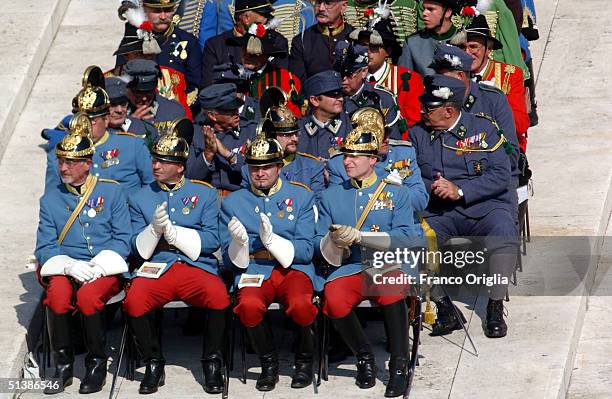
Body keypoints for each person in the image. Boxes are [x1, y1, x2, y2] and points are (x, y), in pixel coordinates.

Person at [123, 118, 230, 394]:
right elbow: (135, 246)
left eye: (164, 162)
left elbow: (211, 239)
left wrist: (176, 235)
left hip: (195, 264)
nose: (156, 166)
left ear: (180, 167)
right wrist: (153, 231)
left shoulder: (203, 194)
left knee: (218, 296)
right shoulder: (140, 197)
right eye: (155, 160)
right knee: (134, 301)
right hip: (157, 264)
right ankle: (153, 362)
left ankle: (212, 362)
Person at [315, 120, 419, 397]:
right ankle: (364, 357)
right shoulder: (332, 195)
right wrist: (332, 241)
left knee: (392, 288)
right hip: (350, 266)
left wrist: (362, 237)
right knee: (334, 299)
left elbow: (406, 238)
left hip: (387, 264)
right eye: (345, 155)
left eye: (354, 156)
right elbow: (317, 240)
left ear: (373, 159)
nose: (347, 161)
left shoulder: (396, 192)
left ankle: (399, 365)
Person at [410, 74, 518, 338]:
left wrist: (460, 190)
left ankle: (495, 302)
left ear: (449, 110)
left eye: (430, 108)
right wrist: (434, 188)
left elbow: (501, 175)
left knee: (503, 231)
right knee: (416, 239)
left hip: (484, 206)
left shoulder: (484, 129)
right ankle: (443, 306)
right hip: (439, 210)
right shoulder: (416, 135)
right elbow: (408, 176)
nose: (423, 111)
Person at [35, 114, 131, 394]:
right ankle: (62, 366)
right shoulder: (50, 200)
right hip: (67, 266)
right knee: (57, 297)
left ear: (87, 164)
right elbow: (45, 246)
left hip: (103, 267)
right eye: (60, 161)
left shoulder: (111, 193)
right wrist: (68, 267)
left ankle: (96, 363)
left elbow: (122, 239)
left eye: (70, 162)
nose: (63, 167)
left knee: (89, 298)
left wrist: (99, 266)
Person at [219, 134, 319, 391]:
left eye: (266, 167)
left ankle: (304, 361)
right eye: (254, 167)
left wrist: (274, 242)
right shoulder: (233, 203)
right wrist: (237, 244)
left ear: (279, 167)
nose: (260, 173)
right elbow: (229, 260)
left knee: (301, 305)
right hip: (253, 268)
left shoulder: (301, 197)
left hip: (292, 267)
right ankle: (268, 363)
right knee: (248, 306)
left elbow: (307, 249)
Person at [45, 67, 154, 197]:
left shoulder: (132, 146)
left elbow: (152, 188)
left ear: (106, 119)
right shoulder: (57, 156)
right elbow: (52, 200)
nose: (85, 124)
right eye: (81, 119)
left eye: (92, 120)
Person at [429, 43, 520, 178]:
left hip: (490, 183)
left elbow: (510, 155)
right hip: (444, 182)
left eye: (441, 75)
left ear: (460, 75)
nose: (436, 81)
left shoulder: (493, 100)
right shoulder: (432, 101)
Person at [327, 107, 428, 215]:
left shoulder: (403, 153)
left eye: (387, 133)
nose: (387, 139)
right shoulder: (339, 163)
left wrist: (379, 196)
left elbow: (420, 200)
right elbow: (336, 206)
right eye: (380, 135)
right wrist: (392, 194)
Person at [453, 15, 530, 152]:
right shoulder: (451, 74)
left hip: (500, 149)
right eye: (462, 47)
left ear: (488, 49)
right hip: (460, 149)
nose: (467, 53)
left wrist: (491, 100)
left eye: (473, 47)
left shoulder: (509, 76)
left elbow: (519, 125)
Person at [349, 4, 424, 128]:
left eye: (373, 47)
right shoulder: (349, 77)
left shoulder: (408, 79)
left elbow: (412, 122)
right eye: (362, 46)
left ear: (388, 51)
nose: (367, 52)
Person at [241, 103, 325, 197]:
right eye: (286, 135)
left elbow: (317, 202)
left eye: (296, 133)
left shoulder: (312, 166)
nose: (295, 139)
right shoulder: (250, 170)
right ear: (270, 135)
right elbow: (247, 202)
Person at [186, 83, 257, 194]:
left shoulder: (250, 131)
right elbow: (190, 177)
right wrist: (208, 154)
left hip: (241, 196)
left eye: (236, 108)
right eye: (229, 110)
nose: (237, 113)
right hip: (205, 197)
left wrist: (229, 155)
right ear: (212, 116)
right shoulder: (195, 135)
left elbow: (259, 173)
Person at [118, 0, 202, 94]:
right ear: (145, 10)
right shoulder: (132, 41)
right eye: (157, 11)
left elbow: (195, 87)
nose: (163, 17)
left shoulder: (188, 41)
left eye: (167, 10)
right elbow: (120, 80)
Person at [201, 0, 288, 87]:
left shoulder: (277, 42)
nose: (268, 19)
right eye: (264, 14)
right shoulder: (215, 45)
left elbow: (282, 80)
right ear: (246, 18)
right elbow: (208, 88)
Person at [335, 41, 406, 140]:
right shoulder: (327, 97)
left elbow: (392, 142)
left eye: (349, 74)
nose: (343, 79)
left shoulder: (382, 99)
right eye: (339, 73)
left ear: (364, 72)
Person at [226, 29, 303, 116]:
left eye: (254, 53)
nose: (248, 55)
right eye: (245, 49)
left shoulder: (285, 79)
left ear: (267, 55)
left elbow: (292, 117)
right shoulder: (229, 75)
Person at [289, 0, 354, 80]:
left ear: (343, 6)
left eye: (328, 3)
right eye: (318, 2)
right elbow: (297, 84)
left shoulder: (356, 38)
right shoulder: (301, 41)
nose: (321, 8)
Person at [298, 70, 351, 160]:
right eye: (334, 95)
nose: (341, 98)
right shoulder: (299, 129)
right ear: (314, 100)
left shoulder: (350, 126)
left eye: (341, 94)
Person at [123, 59, 186, 134]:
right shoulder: (115, 113)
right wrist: (130, 124)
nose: (144, 98)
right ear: (127, 89)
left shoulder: (174, 112)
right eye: (138, 92)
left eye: (148, 92)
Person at [398, 0, 459, 77]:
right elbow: (404, 80)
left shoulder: (464, 38)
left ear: (447, 12)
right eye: (424, 9)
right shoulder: (412, 42)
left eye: (430, 9)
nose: (424, 13)